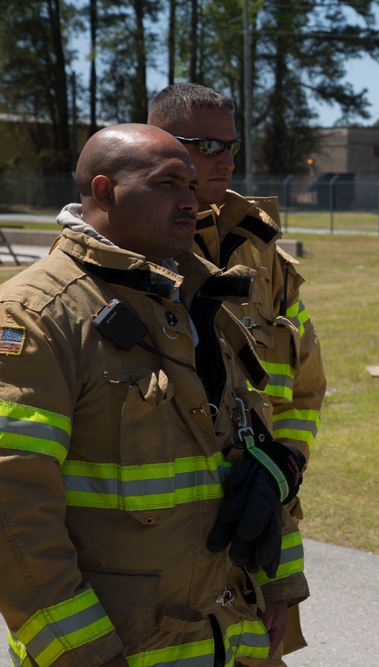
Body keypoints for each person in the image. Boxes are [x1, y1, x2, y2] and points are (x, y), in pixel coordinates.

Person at [0, 124, 307, 666]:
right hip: (118, 645)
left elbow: (250, 452)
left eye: (190, 186)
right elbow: (13, 506)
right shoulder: (36, 315)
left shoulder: (198, 300)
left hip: (230, 633)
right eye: (167, 184)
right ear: (103, 191)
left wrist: (279, 581)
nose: (190, 202)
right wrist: (83, 651)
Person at [148, 83, 326, 666]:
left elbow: (304, 383)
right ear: (158, 144)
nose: (225, 159)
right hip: (162, 535)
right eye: (205, 145)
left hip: (260, 526)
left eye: (231, 145)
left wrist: (287, 464)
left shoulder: (262, 251)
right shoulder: (131, 249)